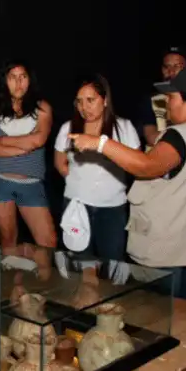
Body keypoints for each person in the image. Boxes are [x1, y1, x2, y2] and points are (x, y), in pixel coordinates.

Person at [68, 65, 186, 302]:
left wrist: (100, 143)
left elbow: (147, 166)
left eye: (172, 96)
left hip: (169, 246)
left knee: (158, 314)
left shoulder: (180, 136)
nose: (166, 102)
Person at [53, 74, 141, 265]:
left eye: (90, 100)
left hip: (112, 208)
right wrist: (80, 184)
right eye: (79, 102)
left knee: (112, 268)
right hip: (76, 206)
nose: (84, 107)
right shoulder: (68, 128)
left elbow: (137, 164)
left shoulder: (124, 128)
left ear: (105, 100)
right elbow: (60, 163)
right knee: (79, 266)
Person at [0, 59, 57, 250]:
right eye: (12, 77)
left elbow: (39, 140)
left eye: (23, 77)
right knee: (8, 240)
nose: (18, 82)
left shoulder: (43, 108)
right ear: (4, 81)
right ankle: (11, 279)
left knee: (48, 242)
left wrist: (2, 141)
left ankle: (42, 277)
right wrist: (25, 146)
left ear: (30, 80)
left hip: (31, 185)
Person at [137, 46, 186, 150]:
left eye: (177, 66)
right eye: (166, 67)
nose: (171, 71)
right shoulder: (152, 99)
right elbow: (151, 136)